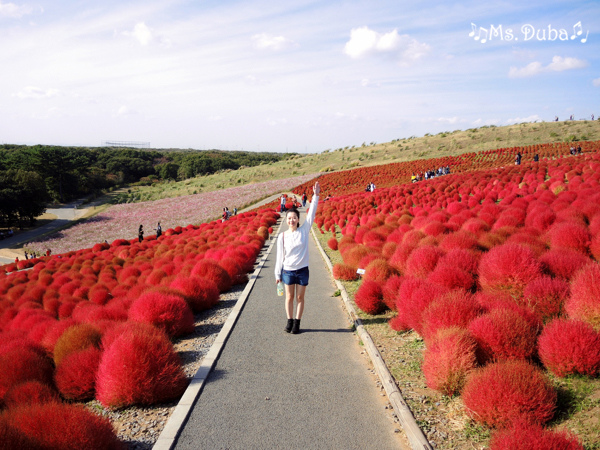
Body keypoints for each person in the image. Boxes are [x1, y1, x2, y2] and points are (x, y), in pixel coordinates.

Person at [275, 181, 320, 335]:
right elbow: (279, 256)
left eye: (294, 218)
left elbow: (312, 212)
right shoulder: (282, 236)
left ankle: (297, 323)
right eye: (289, 219)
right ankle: (289, 320)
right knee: (289, 297)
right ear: (286, 221)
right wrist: (277, 274)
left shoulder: (304, 230)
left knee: (300, 297)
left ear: (298, 220)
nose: (291, 220)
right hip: (287, 271)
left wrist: (316, 195)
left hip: (302, 271)